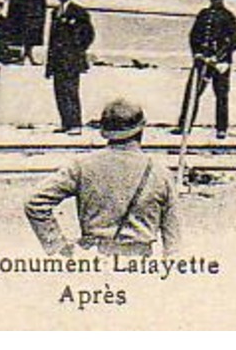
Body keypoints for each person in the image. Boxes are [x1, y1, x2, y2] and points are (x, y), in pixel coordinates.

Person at [26, 98, 181, 258]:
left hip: (93, 261)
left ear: (105, 132)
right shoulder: (161, 172)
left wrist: (57, 246)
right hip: (138, 263)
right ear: (142, 128)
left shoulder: (82, 165)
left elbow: (35, 202)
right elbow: (173, 240)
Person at [176, 0, 236, 140]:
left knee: (221, 95)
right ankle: (185, 126)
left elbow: (234, 42)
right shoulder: (203, 14)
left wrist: (218, 58)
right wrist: (197, 53)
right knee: (192, 92)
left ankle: (221, 129)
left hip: (220, 63)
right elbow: (194, 36)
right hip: (202, 60)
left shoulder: (228, 16)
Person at [45, 0, 96, 135]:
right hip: (57, 60)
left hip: (71, 61)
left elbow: (88, 34)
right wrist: (49, 64)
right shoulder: (55, 12)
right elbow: (52, 40)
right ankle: (65, 123)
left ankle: (75, 124)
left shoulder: (79, 12)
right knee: (59, 91)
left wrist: (76, 50)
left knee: (71, 91)